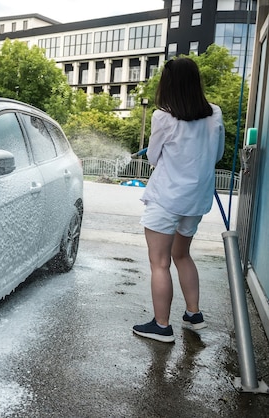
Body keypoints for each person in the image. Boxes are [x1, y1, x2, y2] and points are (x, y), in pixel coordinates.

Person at [133, 57, 225, 343]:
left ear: (169, 84)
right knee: (182, 255)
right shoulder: (215, 114)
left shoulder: (163, 116)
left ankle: (161, 326)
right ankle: (193, 315)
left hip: (166, 198)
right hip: (195, 200)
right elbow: (218, 154)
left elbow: (152, 157)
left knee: (160, 263)